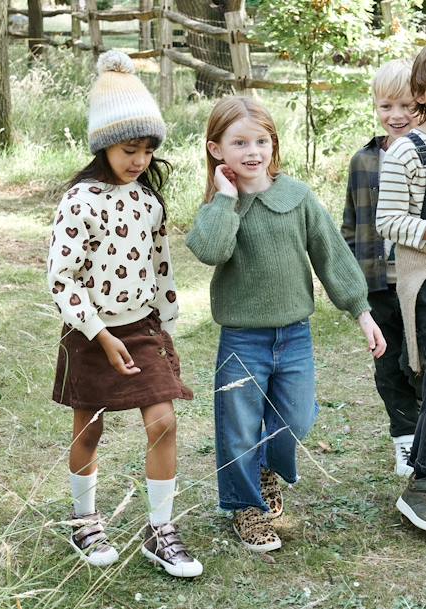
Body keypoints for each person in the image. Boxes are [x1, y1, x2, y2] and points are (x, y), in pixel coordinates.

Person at [186, 96, 386, 552]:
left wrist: (362, 311)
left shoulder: (297, 197)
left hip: (294, 335)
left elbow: (332, 256)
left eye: (262, 141)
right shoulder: (221, 206)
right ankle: (246, 508)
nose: (253, 151)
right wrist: (226, 198)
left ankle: (265, 470)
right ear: (217, 150)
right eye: (240, 143)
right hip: (242, 338)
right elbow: (211, 251)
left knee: (295, 417)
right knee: (238, 427)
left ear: (273, 145)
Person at [47, 50, 202, 577]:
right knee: (88, 429)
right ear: (102, 146)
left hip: (141, 329)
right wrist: (98, 333)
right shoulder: (80, 200)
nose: (139, 160)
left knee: (164, 423)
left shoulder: (149, 202)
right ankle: (84, 519)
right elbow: (61, 279)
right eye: (128, 149)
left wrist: (166, 325)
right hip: (91, 333)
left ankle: (161, 530)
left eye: (147, 150)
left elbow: (161, 267)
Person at [341, 59, 420, 477]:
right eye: (387, 105)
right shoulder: (363, 160)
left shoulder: (421, 158)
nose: (397, 116)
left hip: (416, 283)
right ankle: (404, 440)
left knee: (417, 362)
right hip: (376, 286)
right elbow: (351, 225)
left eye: (408, 105)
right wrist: (353, 285)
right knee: (389, 367)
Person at [376, 46, 426, 530]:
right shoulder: (393, 155)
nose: (398, 115)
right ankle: (415, 468)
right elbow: (379, 223)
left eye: (404, 106)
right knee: (410, 371)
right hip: (406, 280)